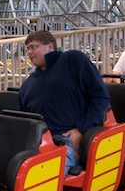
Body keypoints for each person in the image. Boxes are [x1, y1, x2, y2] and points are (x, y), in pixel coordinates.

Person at [18, 30, 110, 174]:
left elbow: (101, 98)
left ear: (50, 46)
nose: (30, 52)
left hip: (67, 140)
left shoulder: (73, 60)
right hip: (38, 143)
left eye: (34, 47)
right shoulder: (28, 85)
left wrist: (81, 129)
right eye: (28, 48)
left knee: (41, 176)